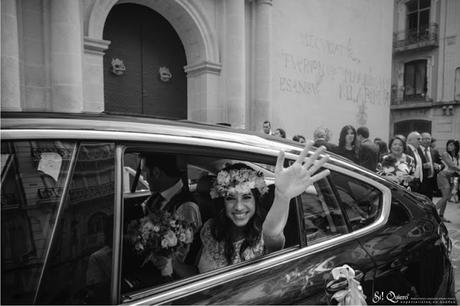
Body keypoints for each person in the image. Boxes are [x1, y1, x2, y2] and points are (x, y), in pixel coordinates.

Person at [197, 142, 330, 273]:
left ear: (256, 200)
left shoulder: (264, 236)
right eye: (230, 198)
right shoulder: (210, 228)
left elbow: (273, 232)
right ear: (223, 202)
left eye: (246, 197)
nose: (238, 207)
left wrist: (282, 197)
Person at [123, 153, 201, 289]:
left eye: (146, 172)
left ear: (156, 172)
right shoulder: (156, 198)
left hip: (166, 279)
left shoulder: (186, 207)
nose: (145, 178)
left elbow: (180, 255)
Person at [435, 140, 460, 223]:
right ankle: (432, 212)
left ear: (456, 146)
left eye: (452, 145)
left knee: (447, 197)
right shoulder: (445, 154)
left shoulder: (457, 155)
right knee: (445, 196)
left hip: (452, 177)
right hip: (443, 176)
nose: (450, 147)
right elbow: (451, 165)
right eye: (449, 145)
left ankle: (441, 216)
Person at [419, 133, 437, 199]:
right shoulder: (416, 151)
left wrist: (439, 166)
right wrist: (422, 166)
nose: (427, 141)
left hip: (431, 181)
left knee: (429, 201)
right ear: (420, 140)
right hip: (421, 182)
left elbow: (441, 163)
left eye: (428, 139)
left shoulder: (434, 151)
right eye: (424, 139)